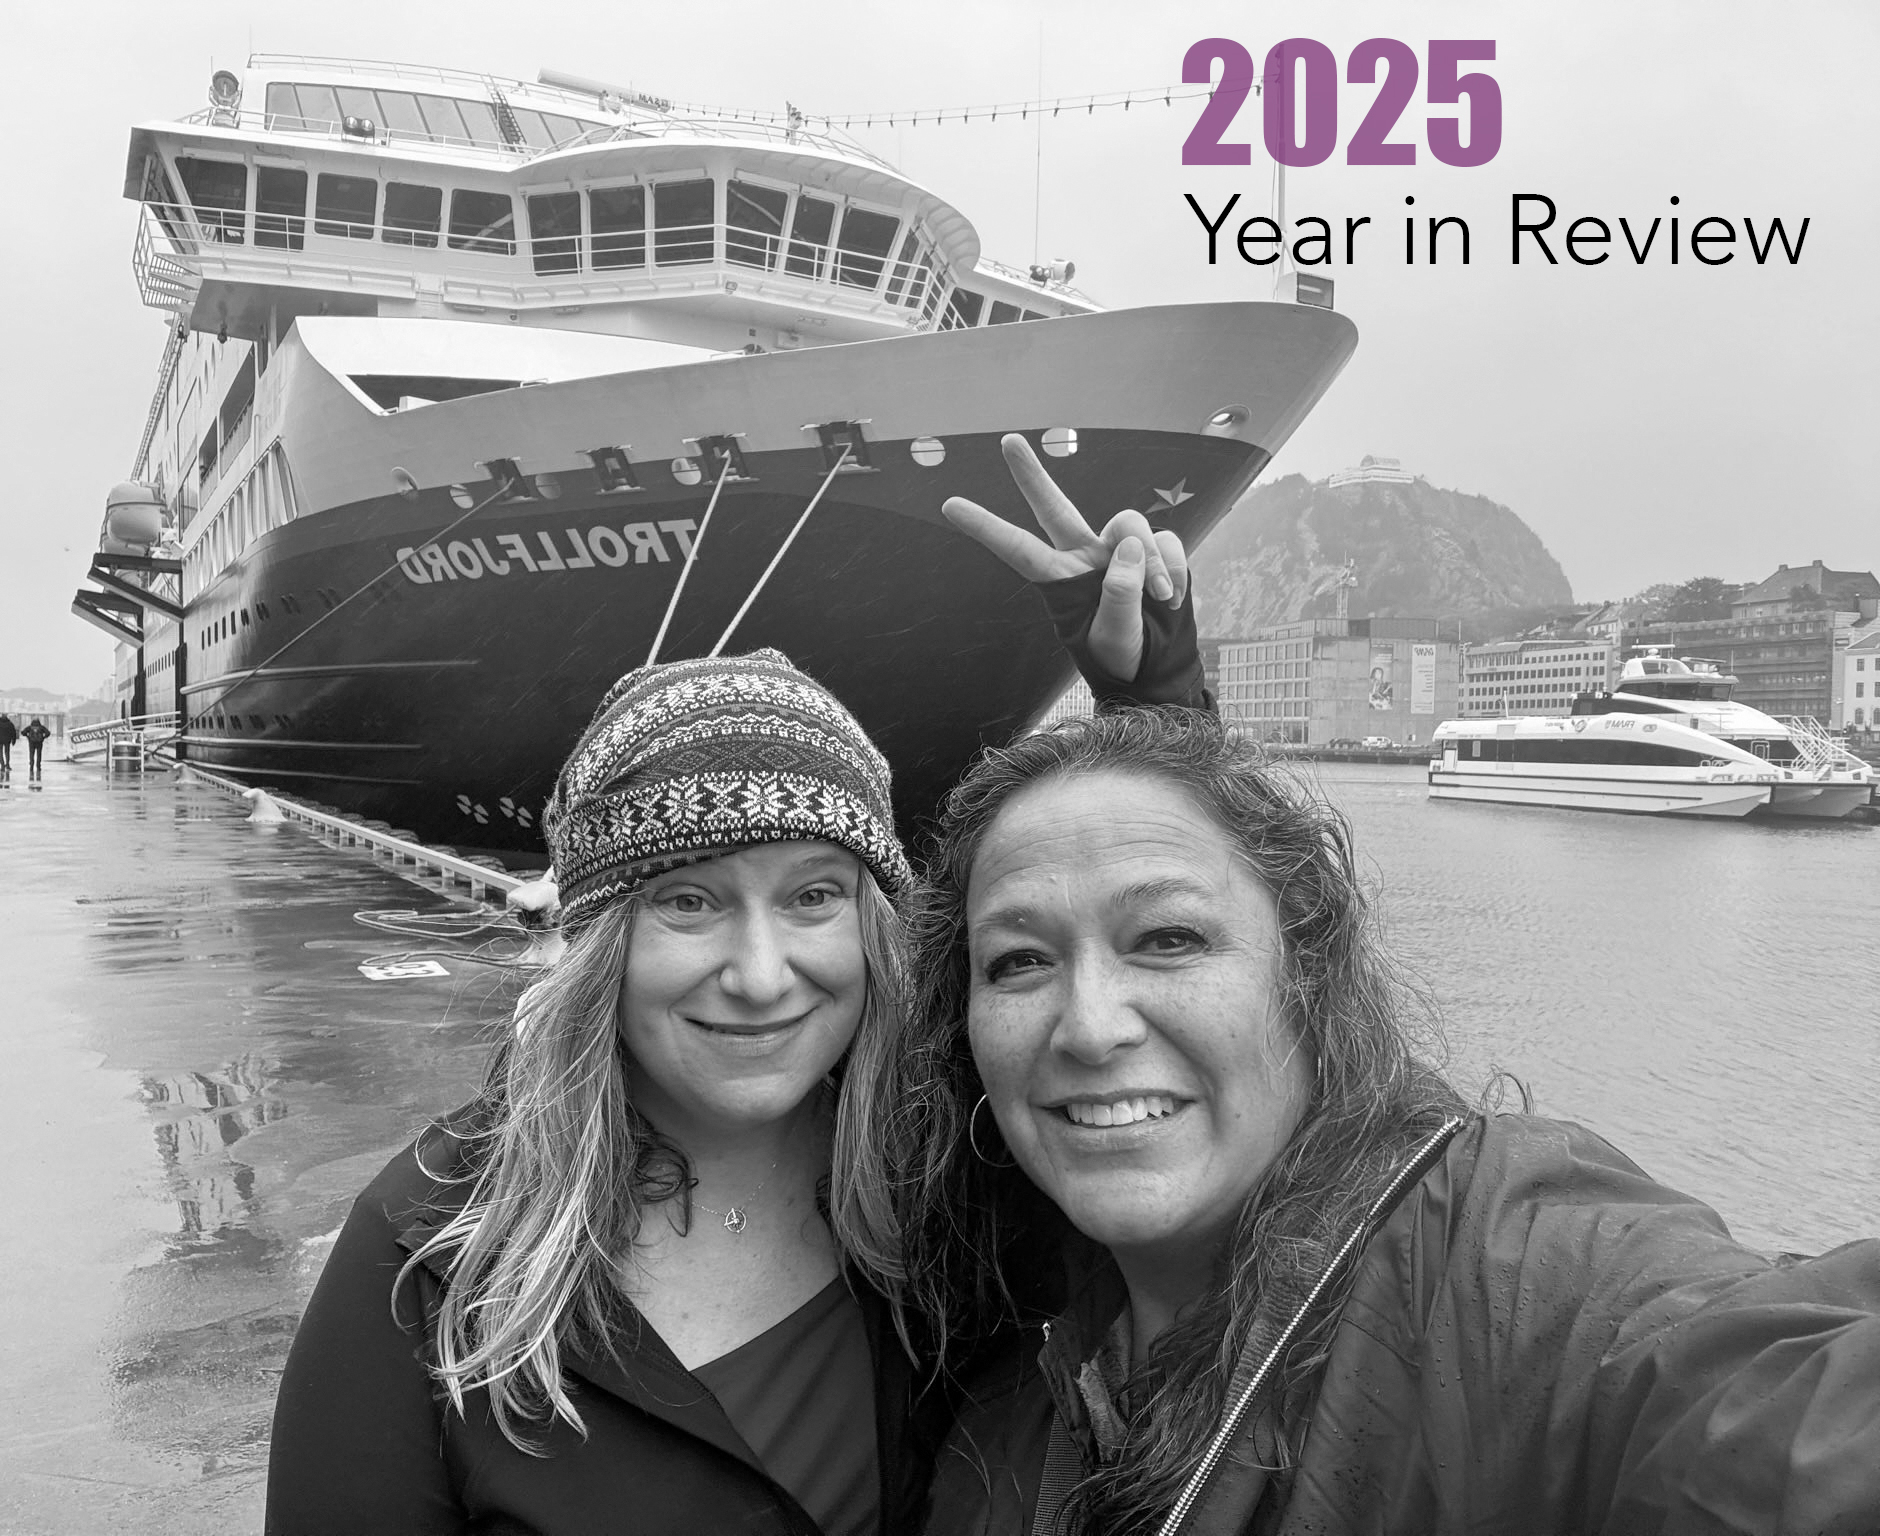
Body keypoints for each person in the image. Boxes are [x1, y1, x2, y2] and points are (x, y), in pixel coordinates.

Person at [892, 458, 1880, 1535]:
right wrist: (1154, 719)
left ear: (1308, 973)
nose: (1088, 1027)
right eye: (1018, 962)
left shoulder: (1500, 1278)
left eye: (1169, 940)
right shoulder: (996, 1320)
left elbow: (1778, 1422)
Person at [267, 650, 937, 1536]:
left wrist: (1120, 683)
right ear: (598, 943)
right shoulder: (429, 1251)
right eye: (689, 901)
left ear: (874, 923)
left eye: (813, 895)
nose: (762, 976)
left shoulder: (944, 1177)